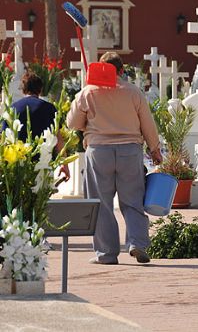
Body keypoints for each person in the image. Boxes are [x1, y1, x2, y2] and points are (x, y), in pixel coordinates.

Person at [67, 52, 163, 265]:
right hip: (130, 150)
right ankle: (137, 242)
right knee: (133, 201)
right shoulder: (133, 92)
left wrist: (88, 117)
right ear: (121, 70)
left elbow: (72, 123)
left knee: (101, 203)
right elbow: (147, 123)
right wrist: (155, 149)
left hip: (99, 150)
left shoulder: (88, 92)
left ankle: (106, 253)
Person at [4, 72, 70, 180]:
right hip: (43, 163)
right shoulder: (49, 108)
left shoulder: (13, 108)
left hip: (18, 164)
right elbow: (58, 139)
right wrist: (64, 164)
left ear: (23, 89)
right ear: (40, 89)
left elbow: (5, 139)